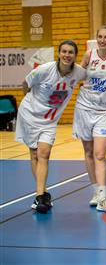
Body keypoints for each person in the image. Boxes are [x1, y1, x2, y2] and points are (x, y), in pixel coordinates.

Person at [15, 40, 86, 213]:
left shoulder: (78, 72)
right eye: (64, 51)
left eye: (71, 52)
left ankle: (40, 197)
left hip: (49, 121)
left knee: (44, 153)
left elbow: (99, 75)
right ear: (59, 53)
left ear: (75, 56)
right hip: (29, 115)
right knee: (34, 153)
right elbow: (25, 83)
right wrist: (32, 103)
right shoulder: (45, 69)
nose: (67, 55)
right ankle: (43, 193)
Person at [73, 25, 106, 213]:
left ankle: (103, 198)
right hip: (84, 108)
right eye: (100, 37)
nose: (103, 40)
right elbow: (79, 76)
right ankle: (96, 191)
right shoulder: (89, 55)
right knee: (88, 151)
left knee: (100, 154)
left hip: (103, 111)